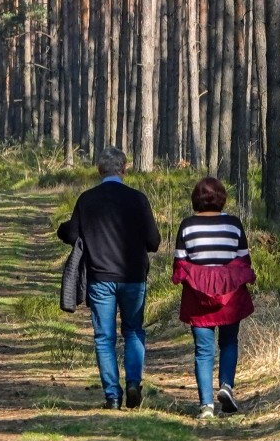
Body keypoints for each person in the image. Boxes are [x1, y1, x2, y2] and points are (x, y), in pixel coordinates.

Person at [57, 147, 160, 408]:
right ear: (124, 169)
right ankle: (134, 383)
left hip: (100, 277)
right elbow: (154, 241)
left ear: (99, 170)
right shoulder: (138, 199)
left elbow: (72, 235)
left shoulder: (87, 199)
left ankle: (112, 396)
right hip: (134, 276)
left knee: (104, 337)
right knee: (134, 330)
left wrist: (63, 229)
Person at [171, 176, 253, 419]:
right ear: (221, 198)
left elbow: (180, 263)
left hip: (198, 299)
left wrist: (199, 278)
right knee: (229, 342)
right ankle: (226, 386)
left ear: (196, 199)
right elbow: (243, 261)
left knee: (203, 351)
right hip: (230, 296)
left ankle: (206, 404)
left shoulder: (187, 225)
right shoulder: (234, 225)